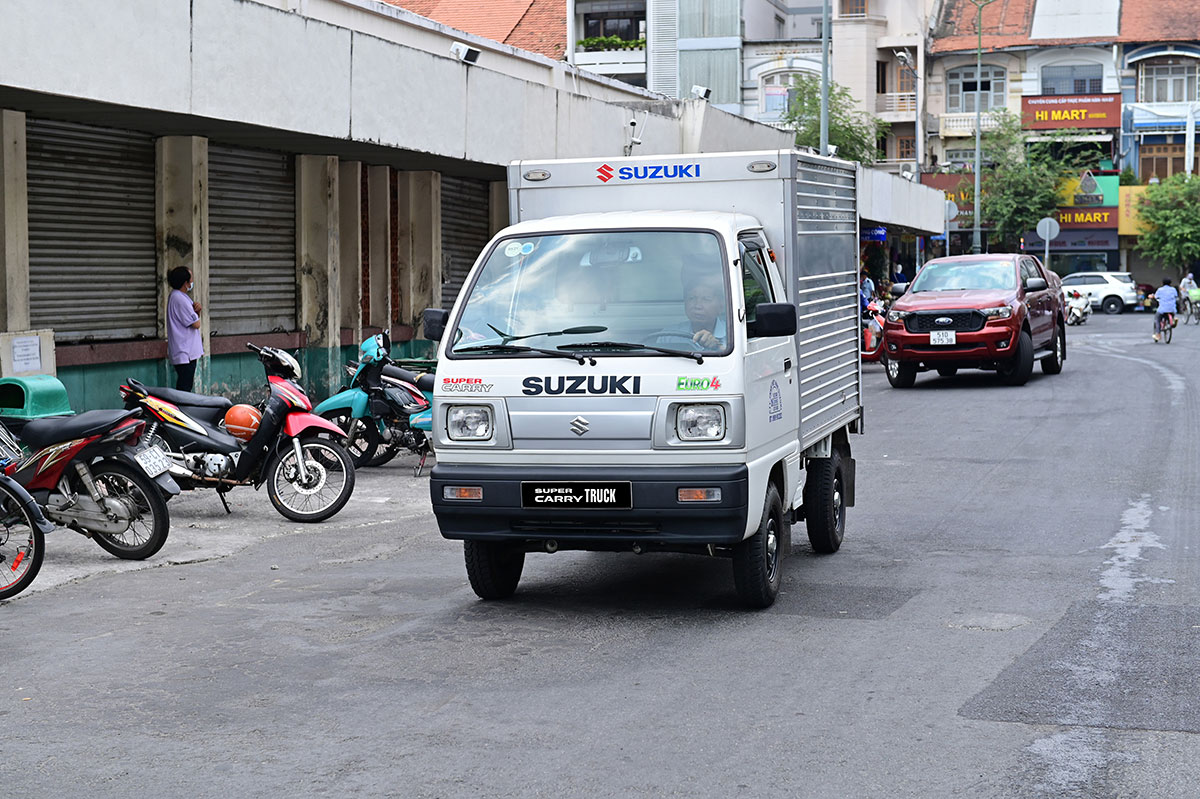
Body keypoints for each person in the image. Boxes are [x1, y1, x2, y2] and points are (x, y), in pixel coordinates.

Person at [663, 273, 727, 350]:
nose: (697, 306)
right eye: (691, 298)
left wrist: (717, 347)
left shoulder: (732, 333)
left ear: (721, 306)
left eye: (706, 299)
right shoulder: (669, 335)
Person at [166, 266, 203, 392]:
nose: (192, 281)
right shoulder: (179, 298)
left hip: (185, 352)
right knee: (184, 388)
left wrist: (197, 312)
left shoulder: (180, 296)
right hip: (185, 353)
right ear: (185, 283)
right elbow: (196, 324)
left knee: (185, 386)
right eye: (191, 278)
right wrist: (197, 314)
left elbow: (191, 319)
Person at [1152, 277, 1179, 342]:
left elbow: (1156, 296)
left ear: (1163, 283)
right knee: (1172, 313)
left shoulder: (1160, 290)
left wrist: (1152, 296)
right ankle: (1173, 320)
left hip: (1162, 309)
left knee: (1157, 320)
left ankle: (1158, 334)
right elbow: (1176, 296)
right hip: (1172, 309)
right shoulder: (1173, 289)